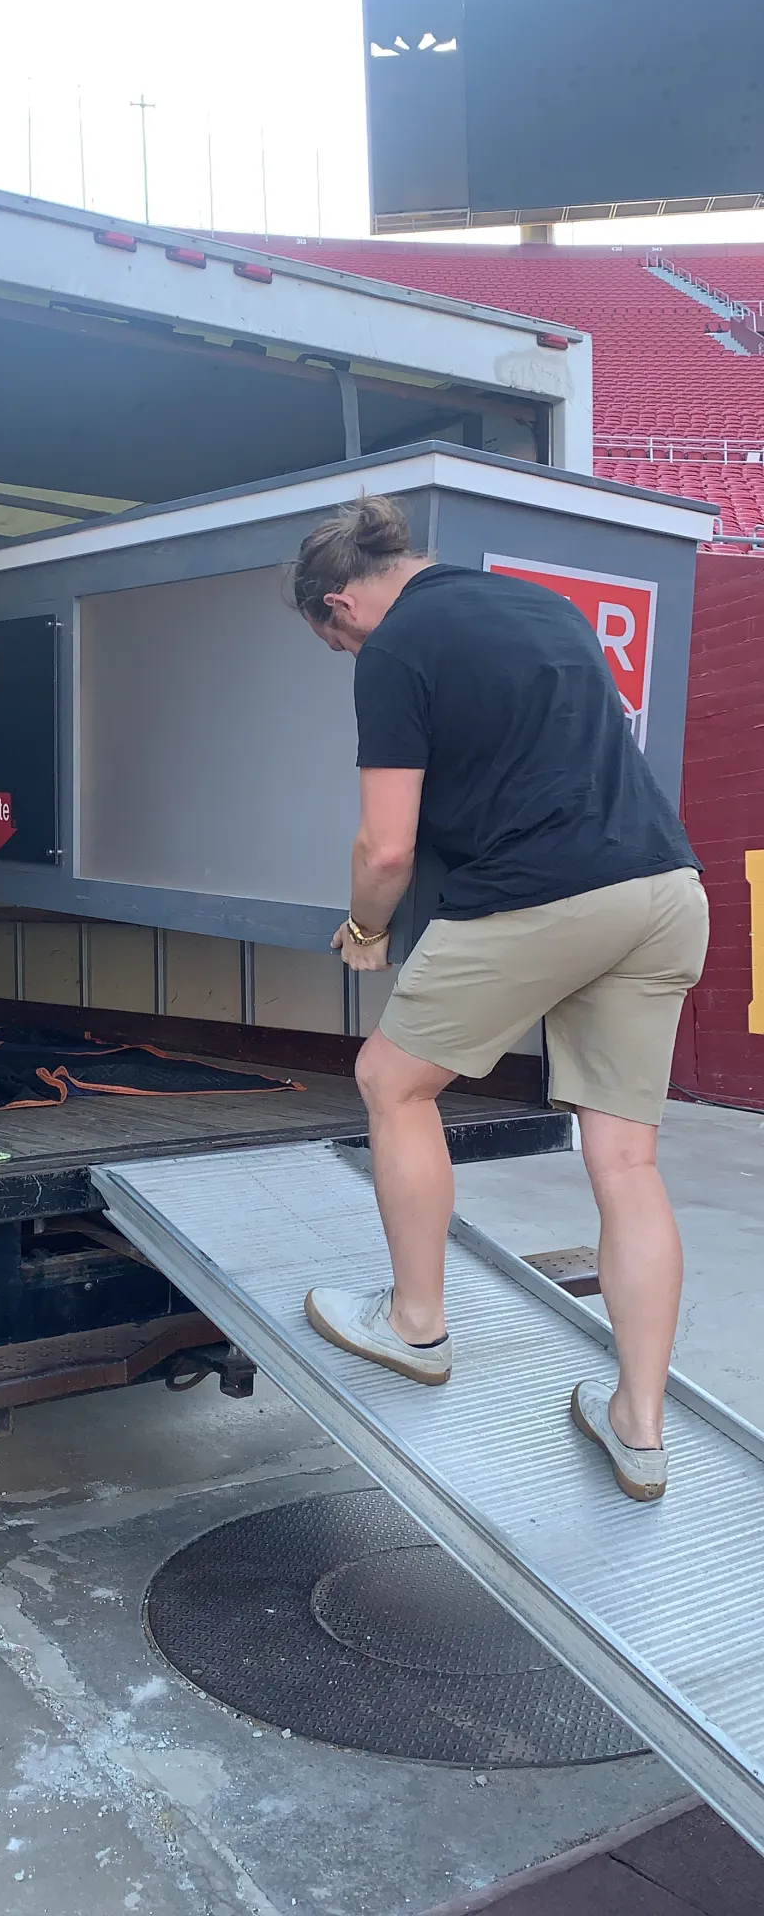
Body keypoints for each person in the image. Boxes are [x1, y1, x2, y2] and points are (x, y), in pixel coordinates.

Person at [292, 497, 708, 1503]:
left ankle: (414, 1325)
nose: (349, 656)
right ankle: (639, 1426)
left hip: (544, 894)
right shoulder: (539, 606)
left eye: (336, 642)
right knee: (626, 1160)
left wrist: (364, 930)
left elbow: (385, 848)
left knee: (391, 1081)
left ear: (341, 602)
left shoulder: (397, 648)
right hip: (664, 889)